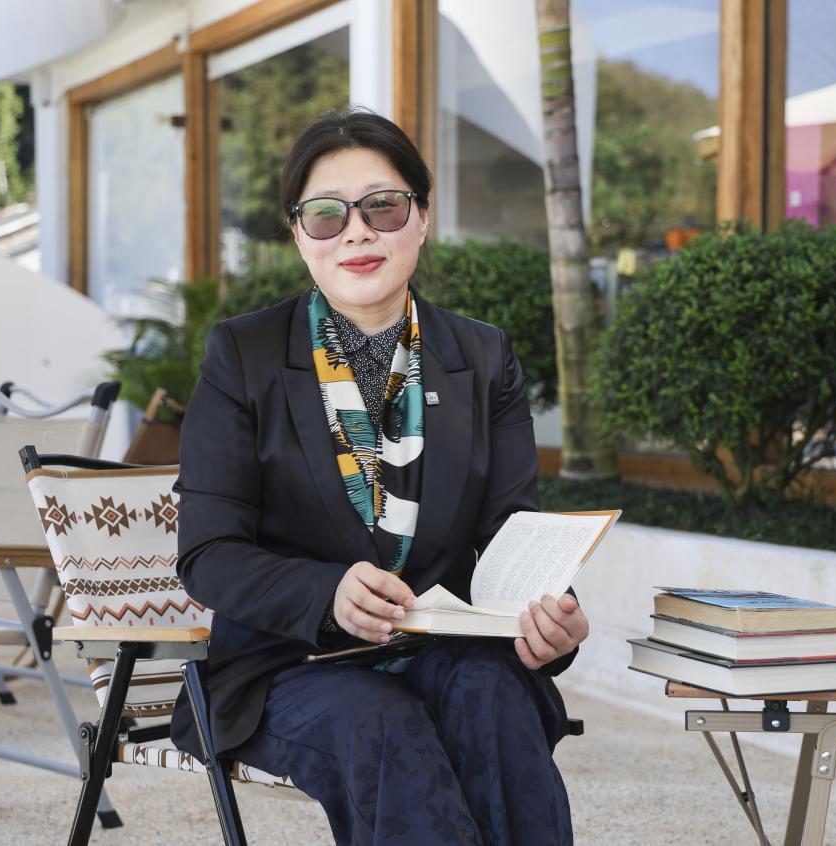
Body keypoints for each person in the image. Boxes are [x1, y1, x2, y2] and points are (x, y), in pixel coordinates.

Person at [169, 107, 588, 845]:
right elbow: (208, 554)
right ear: (299, 235)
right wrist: (326, 592)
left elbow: (510, 535)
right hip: (288, 663)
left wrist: (551, 618)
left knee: (494, 694)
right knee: (382, 721)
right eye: (326, 215)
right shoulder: (243, 356)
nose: (357, 232)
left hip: (443, 648)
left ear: (421, 219)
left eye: (383, 207)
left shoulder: (482, 357)